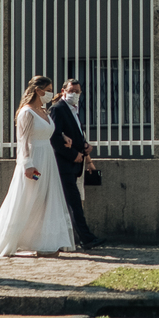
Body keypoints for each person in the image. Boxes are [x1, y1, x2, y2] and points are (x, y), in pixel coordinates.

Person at [0, 76, 76, 257]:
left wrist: (63, 137)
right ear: (38, 90)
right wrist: (28, 165)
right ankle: (7, 241)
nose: (50, 93)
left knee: (46, 198)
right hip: (35, 162)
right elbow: (23, 141)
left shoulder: (43, 111)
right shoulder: (26, 113)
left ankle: (45, 241)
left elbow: (46, 131)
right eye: (48, 89)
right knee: (28, 198)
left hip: (48, 160)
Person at [49, 79, 104, 250]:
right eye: (72, 91)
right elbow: (55, 137)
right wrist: (74, 155)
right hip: (64, 164)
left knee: (74, 202)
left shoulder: (73, 110)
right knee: (73, 203)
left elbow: (74, 134)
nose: (75, 94)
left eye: (78, 91)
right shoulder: (58, 109)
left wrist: (85, 146)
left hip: (75, 165)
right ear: (63, 91)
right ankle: (86, 238)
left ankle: (82, 238)